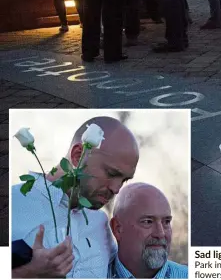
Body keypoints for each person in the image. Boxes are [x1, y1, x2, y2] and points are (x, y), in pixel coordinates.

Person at [12, 117, 139, 278]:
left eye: (124, 180)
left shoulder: (101, 224)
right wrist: (27, 272)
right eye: (111, 174)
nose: (116, 189)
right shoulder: (13, 203)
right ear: (78, 155)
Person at [109, 183, 187, 278]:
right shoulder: (92, 274)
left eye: (166, 222)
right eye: (148, 222)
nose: (160, 233)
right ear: (117, 228)